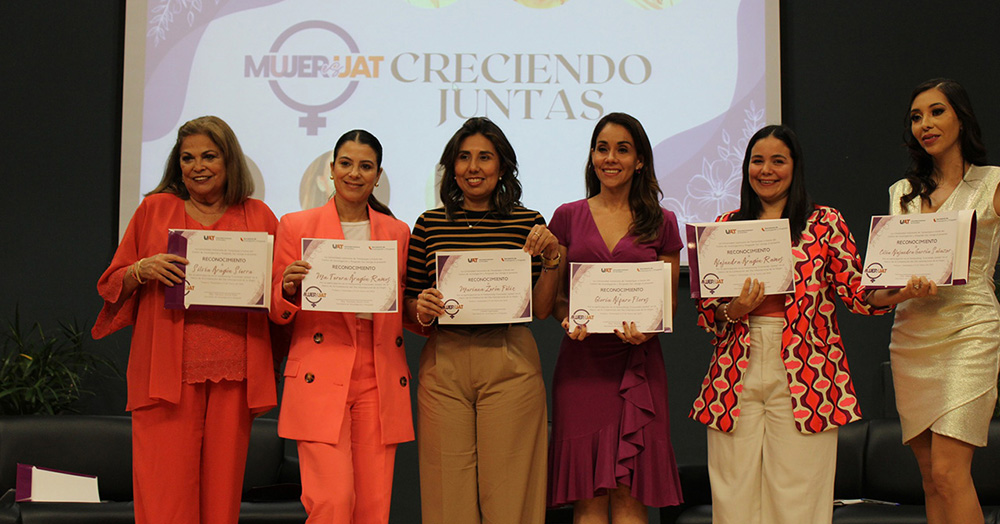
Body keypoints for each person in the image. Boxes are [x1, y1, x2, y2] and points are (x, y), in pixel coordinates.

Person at [689, 124, 928, 524]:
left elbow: (858, 293)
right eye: (757, 161)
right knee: (733, 494)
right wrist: (735, 308)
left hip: (808, 368)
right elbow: (709, 312)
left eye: (777, 161)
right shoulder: (725, 225)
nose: (766, 170)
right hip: (734, 370)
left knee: (800, 494)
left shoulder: (824, 222)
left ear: (794, 167)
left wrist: (901, 291)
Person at [92, 115, 279, 524]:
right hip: (165, 378)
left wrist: (292, 284)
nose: (198, 167)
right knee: (164, 497)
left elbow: (279, 295)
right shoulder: (154, 209)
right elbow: (111, 283)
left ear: (229, 160)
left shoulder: (259, 215)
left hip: (234, 376)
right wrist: (141, 269)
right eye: (187, 158)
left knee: (221, 499)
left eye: (209, 156)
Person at [406, 116, 560, 524]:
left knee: (511, 494)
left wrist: (553, 258)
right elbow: (409, 301)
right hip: (445, 362)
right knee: (446, 495)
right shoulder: (428, 223)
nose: (473, 167)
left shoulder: (529, 223)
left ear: (503, 166)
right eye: (463, 157)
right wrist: (421, 306)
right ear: (452, 166)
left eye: (485, 157)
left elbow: (543, 308)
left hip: (510, 359)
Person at [546, 112, 684, 523]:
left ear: (639, 161)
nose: (610, 158)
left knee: (630, 496)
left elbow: (667, 304)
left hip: (637, 367)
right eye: (602, 149)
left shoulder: (663, 221)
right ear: (591, 157)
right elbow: (557, 298)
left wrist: (649, 330)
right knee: (588, 496)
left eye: (622, 150)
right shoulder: (566, 216)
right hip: (582, 367)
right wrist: (567, 319)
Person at [270, 130, 413, 524]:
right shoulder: (295, 225)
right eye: (346, 164)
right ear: (331, 170)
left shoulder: (397, 232)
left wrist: (425, 308)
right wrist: (287, 288)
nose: (354, 173)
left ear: (378, 176)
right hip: (320, 364)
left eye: (365, 166)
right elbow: (276, 309)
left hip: (378, 370)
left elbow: (403, 302)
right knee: (331, 501)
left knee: (373, 507)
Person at [888, 78, 1000, 524]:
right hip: (912, 334)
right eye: (916, 116)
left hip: (970, 328)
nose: (925, 124)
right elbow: (883, 280)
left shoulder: (993, 182)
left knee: (950, 474)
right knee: (930, 479)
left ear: (961, 118)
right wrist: (903, 290)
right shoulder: (902, 192)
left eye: (937, 112)